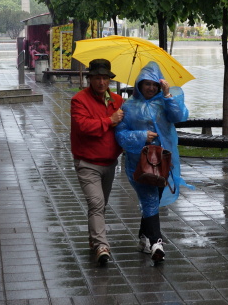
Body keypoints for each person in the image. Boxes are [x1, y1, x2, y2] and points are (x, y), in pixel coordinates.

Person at [115, 61, 190, 263]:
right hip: (138, 164)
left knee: (153, 199)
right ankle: (157, 242)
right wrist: (141, 136)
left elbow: (179, 116)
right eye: (146, 83)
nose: (150, 88)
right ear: (139, 84)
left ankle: (143, 237)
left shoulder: (164, 103)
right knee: (149, 199)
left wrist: (167, 96)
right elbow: (120, 134)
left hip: (163, 162)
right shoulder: (128, 106)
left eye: (154, 84)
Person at [70, 59, 125, 266]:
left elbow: (125, 128)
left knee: (101, 205)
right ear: (90, 79)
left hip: (109, 162)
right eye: (97, 78)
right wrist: (110, 120)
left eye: (105, 78)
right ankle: (102, 246)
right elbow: (83, 126)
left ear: (110, 80)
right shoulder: (79, 100)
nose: (101, 82)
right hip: (87, 162)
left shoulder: (117, 101)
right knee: (96, 203)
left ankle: (94, 239)